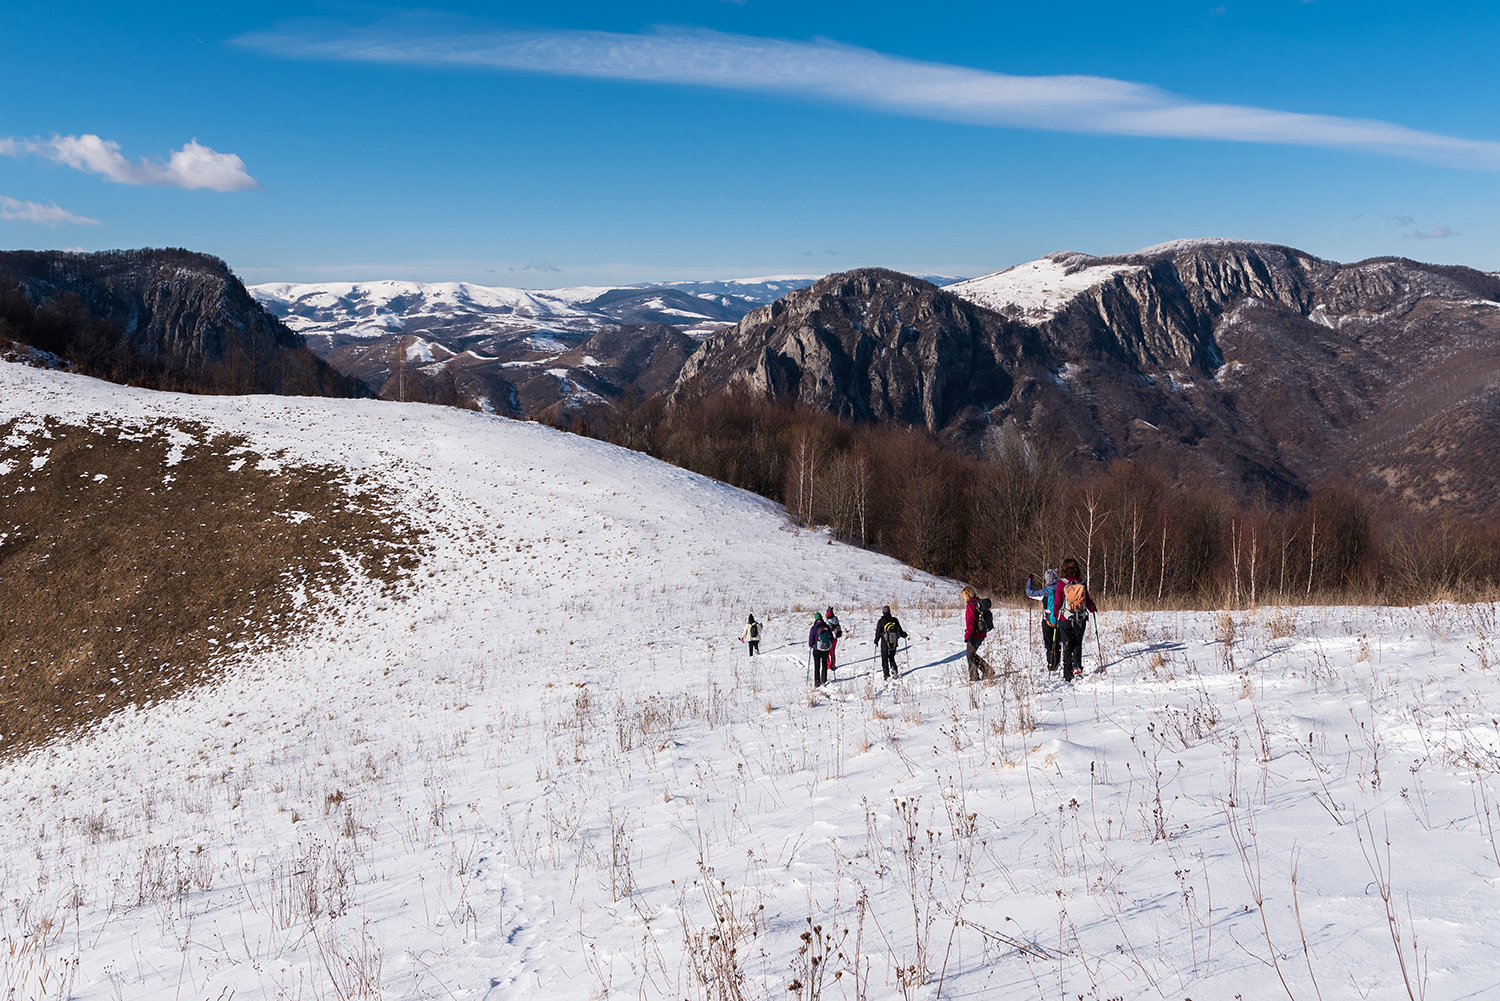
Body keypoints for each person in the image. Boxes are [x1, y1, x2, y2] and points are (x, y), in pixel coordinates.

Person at [1052, 558, 1097, 683]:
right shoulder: (1081, 582)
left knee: (1067, 644)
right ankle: (1077, 668)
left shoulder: (1061, 583)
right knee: (1077, 643)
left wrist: (1055, 613)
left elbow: (1058, 601)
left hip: (1065, 618)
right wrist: (1092, 609)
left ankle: (1067, 673)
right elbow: (1087, 599)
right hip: (1080, 618)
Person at [1025, 569, 1061, 673]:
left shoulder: (1045, 592)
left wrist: (1029, 581)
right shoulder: (1062, 589)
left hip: (1047, 621)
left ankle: (1051, 664)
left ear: (1047, 580)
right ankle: (1057, 662)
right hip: (1060, 621)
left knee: (1049, 644)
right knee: (1057, 643)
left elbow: (1029, 593)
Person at [962, 586, 993, 682]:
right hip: (982, 632)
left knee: (970, 656)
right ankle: (987, 671)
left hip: (975, 634)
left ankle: (974, 677)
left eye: (963, 596)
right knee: (971, 654)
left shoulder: (971, 606)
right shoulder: (979, 603)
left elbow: (970, 623)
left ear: (967, 595)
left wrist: (967, 636)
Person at [873, 605, 908, 681]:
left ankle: (886, 674)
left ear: (883, 612)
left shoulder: (881, 621)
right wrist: (904, 635)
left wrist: (876, 641)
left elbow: (878, 633)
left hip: (885, 643)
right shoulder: (895, 620)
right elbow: (900, 631)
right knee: (891, 657)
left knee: (884, 658)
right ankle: (894, 669)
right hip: (894, 643)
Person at [808, 612, 835, 687]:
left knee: (817, 666)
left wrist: (814, 646)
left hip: (817, 650)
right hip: (826, 649)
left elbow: (810, 642)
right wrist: (828, 645)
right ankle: (824, 680)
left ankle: (817, 682)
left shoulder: (813, 628)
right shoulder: (826, 626)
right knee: (824, 664)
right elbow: (832, 639)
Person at [824, 606, 844, 672]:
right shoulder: (835, 619)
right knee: (832, 652)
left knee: (826, 651)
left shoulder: (828, 621)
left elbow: (828, 630)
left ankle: (828, 665)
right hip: (835, 638)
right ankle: (833, 664)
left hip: (829, 638)